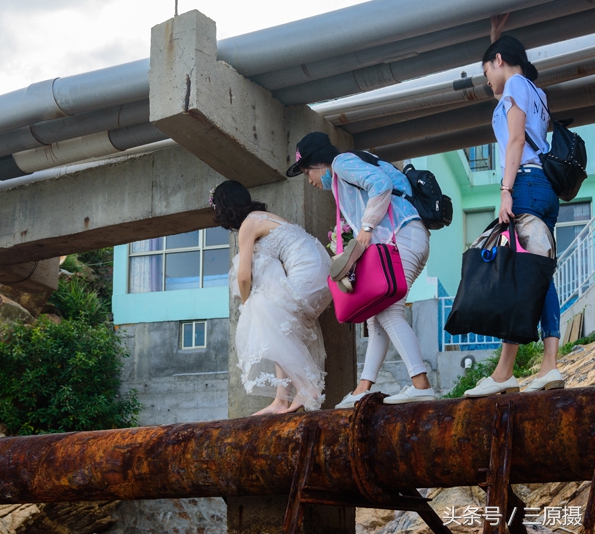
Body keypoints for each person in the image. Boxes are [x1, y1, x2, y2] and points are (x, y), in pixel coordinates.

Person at [288, 132, 435, 408]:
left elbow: (380, 184)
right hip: (406, 236)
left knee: (389, 312)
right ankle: (363, 388)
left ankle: (421, 384)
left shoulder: (341, 163)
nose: (309, 180)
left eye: (307, 172)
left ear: (320, 163)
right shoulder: (342, 178)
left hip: (402, 235)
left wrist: (366, 227)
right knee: (376, 318)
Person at [463, 34, 565, 397]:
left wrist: (505, 190)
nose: (486, 79)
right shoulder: (536, 91)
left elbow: (517, 140)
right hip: (546, 190)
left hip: (524, 186)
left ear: (499, 60)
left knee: (522, 273)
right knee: (538, 274)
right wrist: (495, 37)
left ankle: (507, 373)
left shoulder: (517, 84)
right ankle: (546, 366)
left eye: (486, 70)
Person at [213, 181, 332, 414]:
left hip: (308, 273)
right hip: (323, 278)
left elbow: (244, 276)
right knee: (280, 326)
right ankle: (281, 400)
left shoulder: (249, 224)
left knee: (262, 308)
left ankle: (307, 387)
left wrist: (248, 305)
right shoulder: (263, 217)